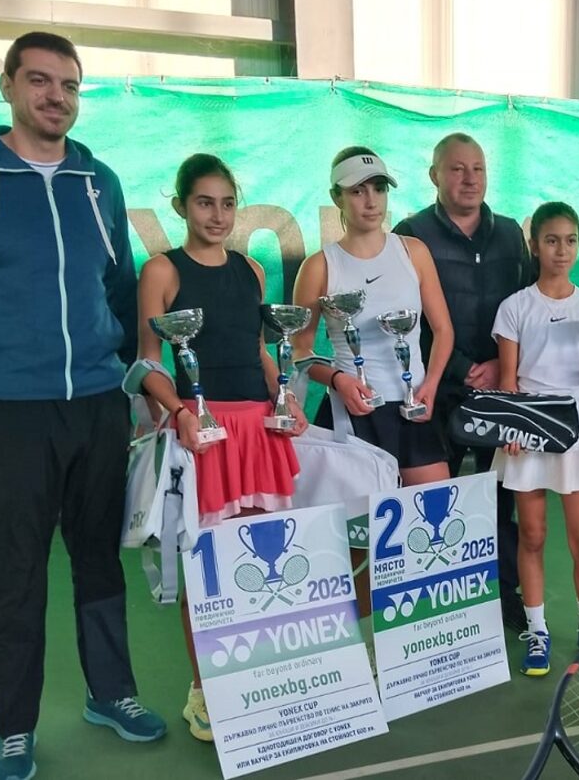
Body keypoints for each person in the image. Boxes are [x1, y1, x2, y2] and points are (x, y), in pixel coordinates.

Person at [0, 31, 164, 780]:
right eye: (41, 81)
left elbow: (121, 294)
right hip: (5, 409)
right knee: (16, 575)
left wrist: (138, 387)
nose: (56, 97)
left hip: (97, 407)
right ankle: (14, 728)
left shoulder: (98, 182)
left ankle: (111, 692)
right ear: (9, 87)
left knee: (99, 559)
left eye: (70, 85)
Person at [133, 153, 305, 741]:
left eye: (227, 203)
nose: (218, 215)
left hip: (258, 431)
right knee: (207, 569)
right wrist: (181, 413)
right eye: (204, 203)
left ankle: (253, 679)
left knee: (260, 564)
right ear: (180, 206)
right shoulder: (161, 270)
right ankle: (203, 691)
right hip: (202, 436)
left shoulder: (251, 270)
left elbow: (256, 348)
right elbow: (147, 363)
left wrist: (285, 396)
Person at [393, 132, 533, 631]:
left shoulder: (512, 233)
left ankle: (505, 595)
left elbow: (527, 307)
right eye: (457, 168)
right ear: (434, 175)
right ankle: (438, 605)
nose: (469, 178)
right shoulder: (410, 235)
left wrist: (500, 365)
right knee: (435, 505)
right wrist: (458, 369)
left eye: (478, 168)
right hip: (437, 390)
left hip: (500, 390)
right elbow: (406, 318)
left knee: (501, 498)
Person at [492, 201, 579, 677]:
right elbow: (508, 380)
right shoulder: (515, 307)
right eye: (552, 240)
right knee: (532, 536)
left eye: (570, 240)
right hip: (528, 427)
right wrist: (511, 427)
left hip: (576, 428)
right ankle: (537, 631)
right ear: (535, 246)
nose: (562, 250)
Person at [293, 146, 453, 488]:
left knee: (435, 517)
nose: (371, 201)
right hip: (352, 413)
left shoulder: (414, 252)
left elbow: (443, 330)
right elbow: (299, 351)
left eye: (379, 189)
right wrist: (338, 380)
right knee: (361, 523)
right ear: (336, 198)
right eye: (357, 191)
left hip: (414, 407)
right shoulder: (318, 266)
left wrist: (431, 384)